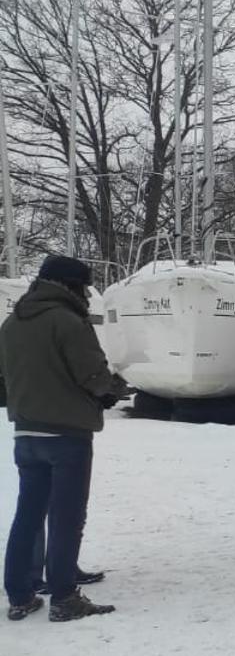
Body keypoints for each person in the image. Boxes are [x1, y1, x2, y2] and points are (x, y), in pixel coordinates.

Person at [1, 256, 127, 622]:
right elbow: (93, 375)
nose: (87, 293)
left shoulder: (12, 323)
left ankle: (21, 594)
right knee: (67, 515)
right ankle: (64, 596)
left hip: (26, 431)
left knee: (28, 513)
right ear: (70, 285)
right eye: (84, 286)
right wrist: (113, 391)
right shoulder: (69, 321)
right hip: (66, 432)